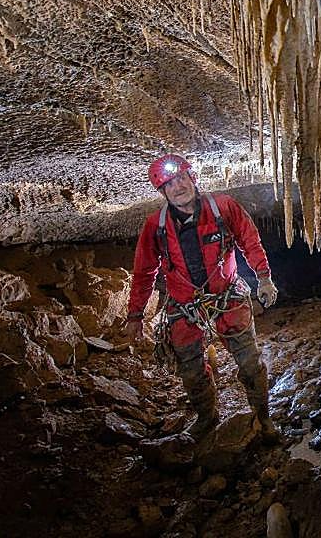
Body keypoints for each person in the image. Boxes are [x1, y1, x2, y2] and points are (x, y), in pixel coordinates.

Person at [123, 154, 280, 441]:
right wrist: (135, 316)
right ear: (163, 192)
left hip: (227, 297)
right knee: (191, 370)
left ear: (193, 178)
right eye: (169, 184)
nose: (178, 186)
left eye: (182, 178)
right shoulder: (155, 226)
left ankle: (263, 417)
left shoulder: (222, 208)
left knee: (249, 363)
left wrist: (264, 278)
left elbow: (249, 240)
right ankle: (207, 417)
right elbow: (144, 272)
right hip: (185, 307)